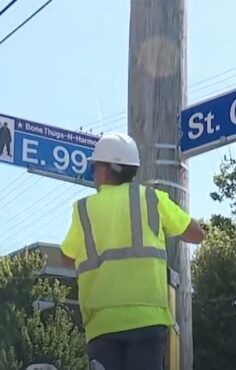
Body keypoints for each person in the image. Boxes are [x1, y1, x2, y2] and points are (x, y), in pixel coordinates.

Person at [60, 133, 204, 370]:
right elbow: (196, 234)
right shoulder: (152, 199)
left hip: (102, 324)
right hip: (149, 321)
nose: (93, 174)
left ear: (106, 170)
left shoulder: (84, 209)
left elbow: (66, 258)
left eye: (94, 168)